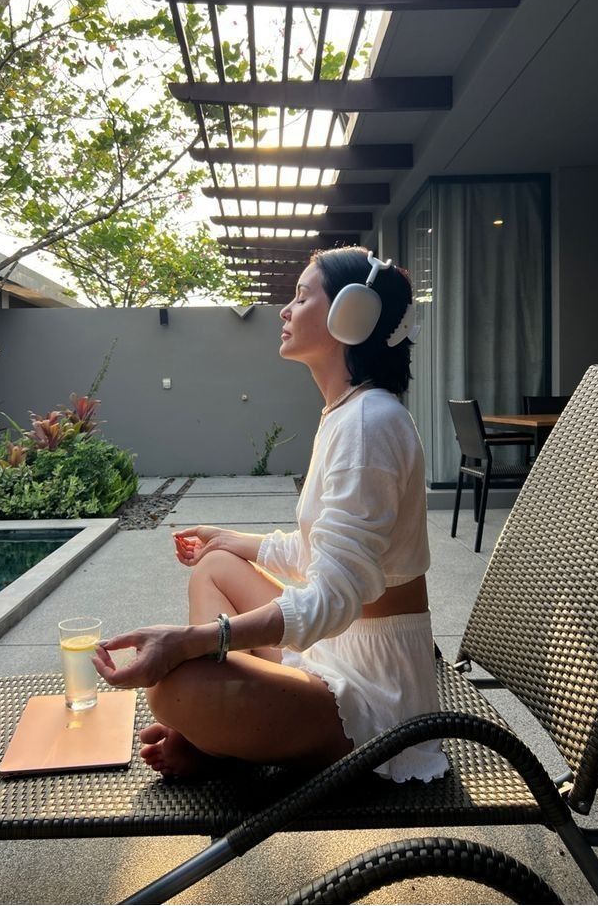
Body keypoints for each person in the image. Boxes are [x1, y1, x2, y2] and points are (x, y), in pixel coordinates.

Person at [93, 246, 449, 783]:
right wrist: (228, 539)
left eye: (301, 297)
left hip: (376, 691)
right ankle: (221, 736)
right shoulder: (348, 413)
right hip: (334, 649)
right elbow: (319, 554)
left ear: (349, 316)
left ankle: (218, 740)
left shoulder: (369, 424)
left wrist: (193, 640)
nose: (285, 310)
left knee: (176, 686)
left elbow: (332, 598)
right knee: (214, 565)